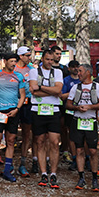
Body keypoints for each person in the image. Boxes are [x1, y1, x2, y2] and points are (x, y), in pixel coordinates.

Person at [0, 52, 26, 183]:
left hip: (13, 112)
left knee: (11, 140)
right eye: (11, 61)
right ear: (5, 61)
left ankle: (7, 171)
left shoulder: (19, 76)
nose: (14, 64)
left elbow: (23, 94)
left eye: (15, 61)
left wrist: (17, 109)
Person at [66, 64, 99, 191]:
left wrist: (89, 107)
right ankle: (81, 177)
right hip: (77, 120)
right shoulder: (76, 87)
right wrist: (77, 108)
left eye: (80, 71)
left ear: (88, 72)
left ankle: (94, 178)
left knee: (93, 151)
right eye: (77, 71)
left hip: (91, 121)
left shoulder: (97, 87)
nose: (78, 73)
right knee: (79, 150)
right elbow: (68, 104)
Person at [29, 49, 64, 189]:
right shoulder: (33, 72)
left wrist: (41, 87)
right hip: (37, 109)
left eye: (52, 59)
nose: (50, 62)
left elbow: (58, 91)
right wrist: (50, 90)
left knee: (55, 142)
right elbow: (32, 90)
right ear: (42, 58)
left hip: (53, 110)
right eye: (47, 59)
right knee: (40, 141)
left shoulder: (58, 72)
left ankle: (53, 173)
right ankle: (43, 172)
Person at [14, 45, 35, 177]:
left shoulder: (32, 69)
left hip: (28, 104)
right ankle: (8, 163)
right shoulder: (13, 67)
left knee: (27, 134)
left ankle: (23, 163)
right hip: (13, 104)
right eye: (27, 55)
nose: (29, 58)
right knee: (10, 135)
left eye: (30, 55)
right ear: (20, 56)